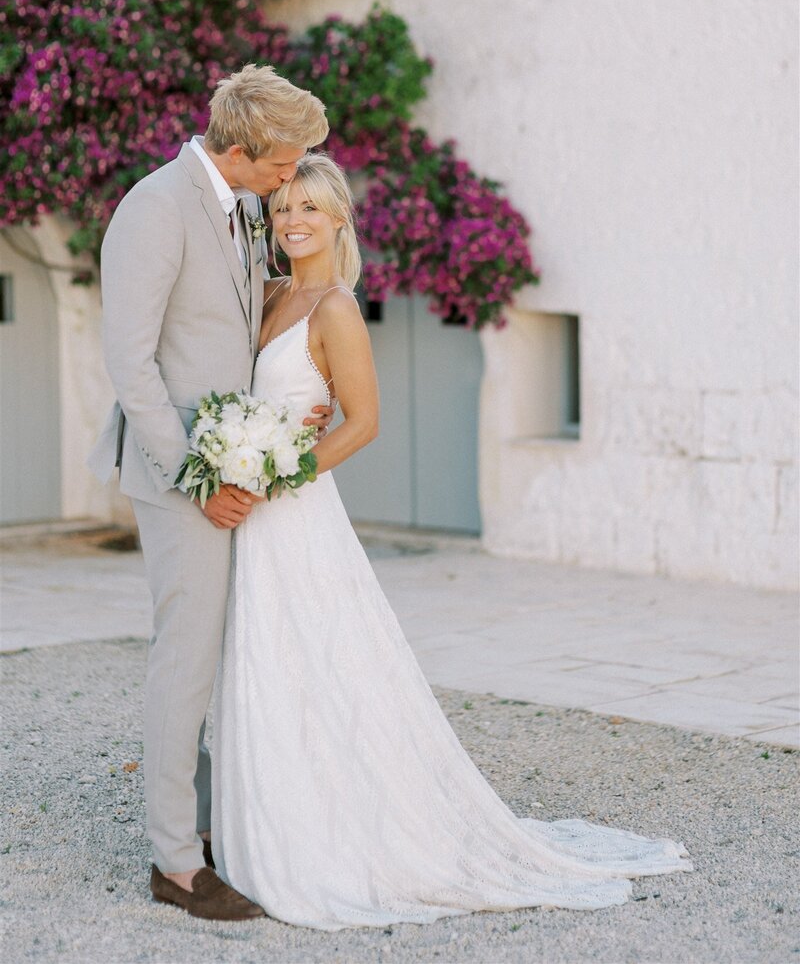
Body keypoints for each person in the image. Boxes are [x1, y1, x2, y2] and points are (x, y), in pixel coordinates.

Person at [211, 153, 693, 930]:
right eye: (282, 208)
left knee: (315, 660)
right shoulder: (269, 294)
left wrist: (274, 475)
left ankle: (337, 831)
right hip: (245, 512)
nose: (292, 220)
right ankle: (264, 814)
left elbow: (362, 423)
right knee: (262, 663)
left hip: (292, 511)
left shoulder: (334, 305)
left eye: (308, 207)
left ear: (338, 218)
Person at [89, 65, 331, 920]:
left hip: (238, 464)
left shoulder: (239, 205)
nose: (289, 177)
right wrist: (197, 477)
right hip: (180, 474)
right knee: (185, 658)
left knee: (225, 655)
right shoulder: (154, 210)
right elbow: (133, 364)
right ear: (239, 149)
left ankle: (211, 824)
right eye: (283, 163)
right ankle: (175, 863)